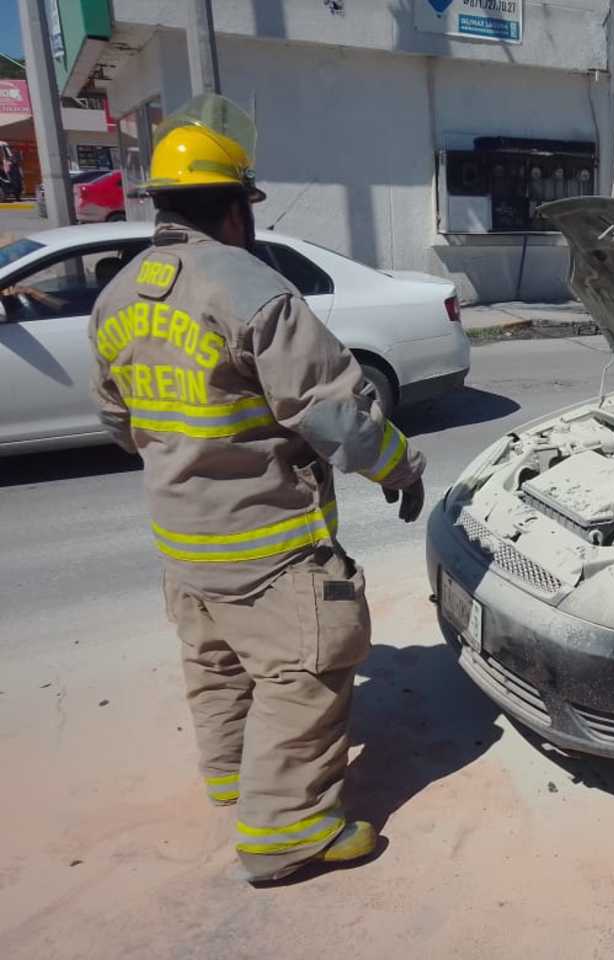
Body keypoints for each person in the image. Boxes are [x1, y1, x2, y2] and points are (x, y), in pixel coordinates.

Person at [87, 94, 426, 885]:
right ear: (236, 209)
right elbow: (336, 413)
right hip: (266, 543)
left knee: (216, 663)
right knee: (305, 670)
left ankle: (234, 782)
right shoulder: (251, 290)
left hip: (183, 543)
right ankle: (288, 832)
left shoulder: (120, 295)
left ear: (165, 205)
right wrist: (399, 466)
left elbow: (118, 420)